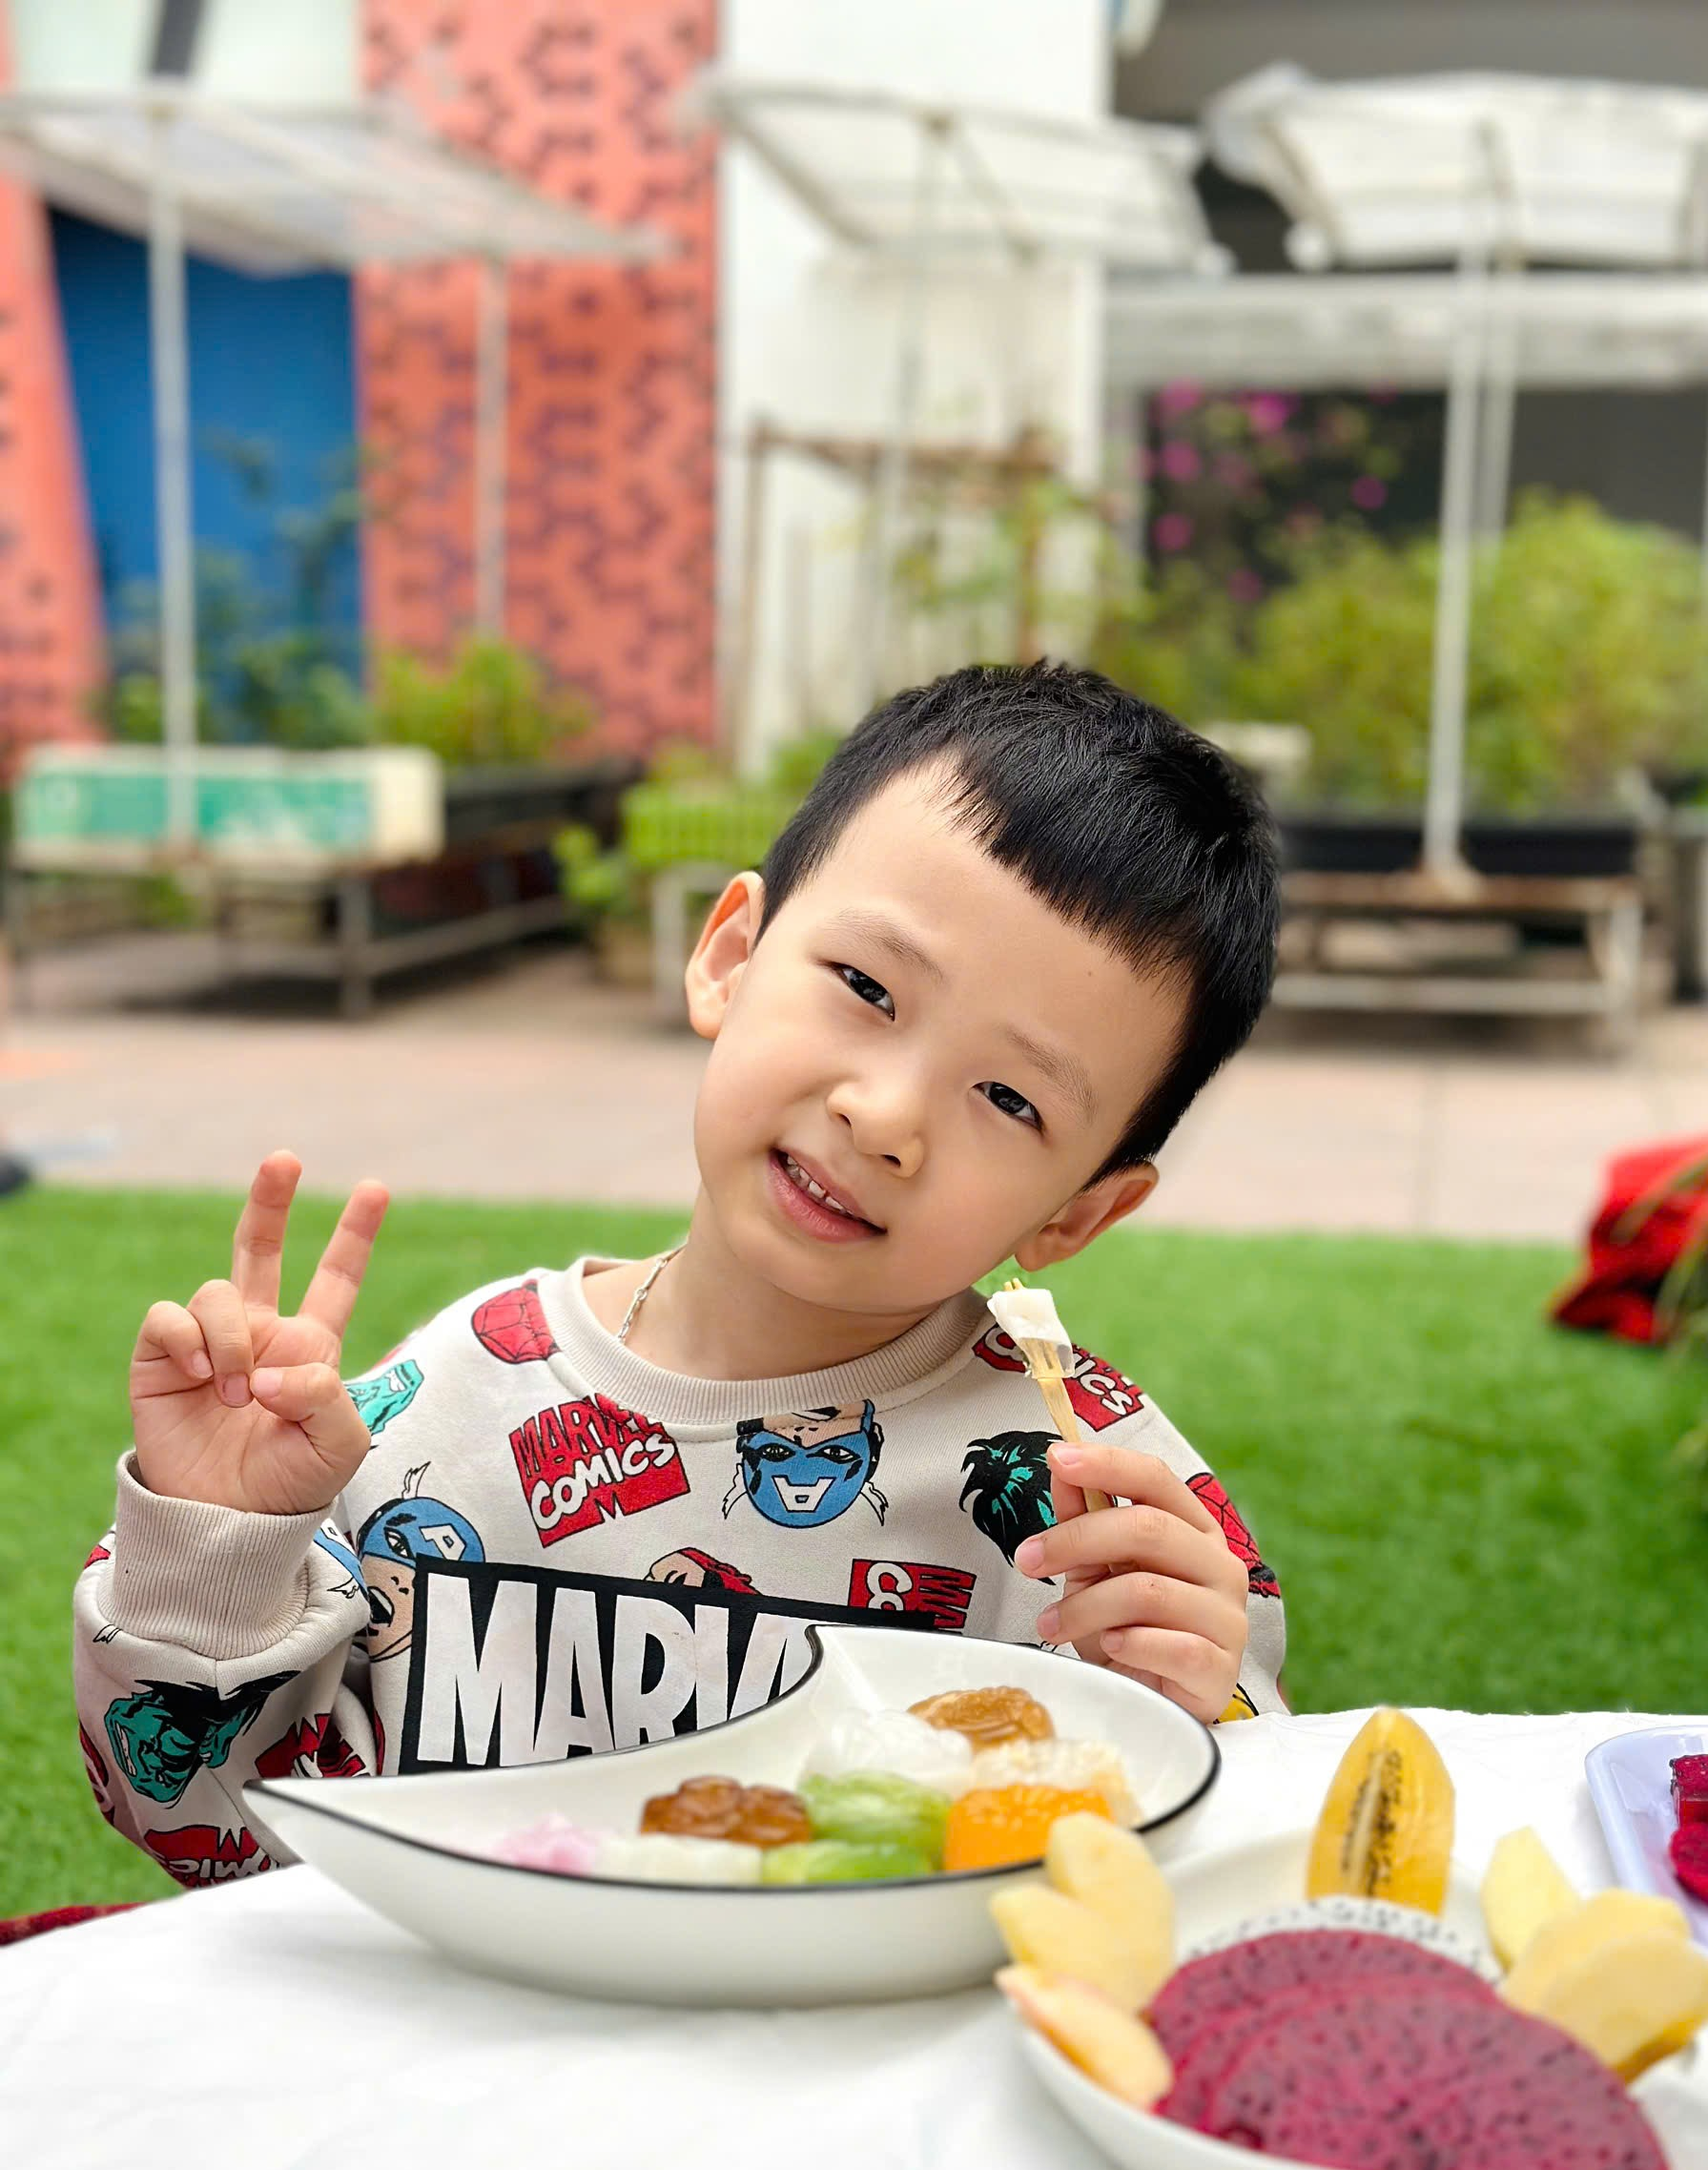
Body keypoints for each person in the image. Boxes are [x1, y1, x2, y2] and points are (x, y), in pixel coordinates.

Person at [74, 662, 1287, 1884]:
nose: (885, 1117)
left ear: (1082, 1210)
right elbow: (226, 1841)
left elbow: (1187, 1885)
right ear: (730, 956)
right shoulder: (449, 1408)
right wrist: (217, 1550)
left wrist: (1195, 1718)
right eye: (868, 988)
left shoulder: (1094, 1507)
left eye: (1010, 1098)